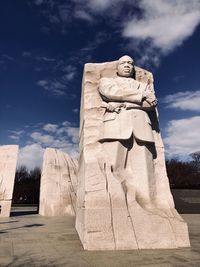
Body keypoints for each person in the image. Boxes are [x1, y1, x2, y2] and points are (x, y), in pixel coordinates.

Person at [98, 55, 158, 210]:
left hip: (142, 127)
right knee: (112, 167)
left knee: (145, 170)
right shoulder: (107, 81)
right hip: (115, 126)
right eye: (123, 63)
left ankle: (147, 204)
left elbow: (150, 104)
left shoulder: (143, 85)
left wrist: (123, 101)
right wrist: (139, 97)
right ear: (117, 67)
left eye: (130, 63)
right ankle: (114, 203)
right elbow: (110, 92)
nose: (127, 66)